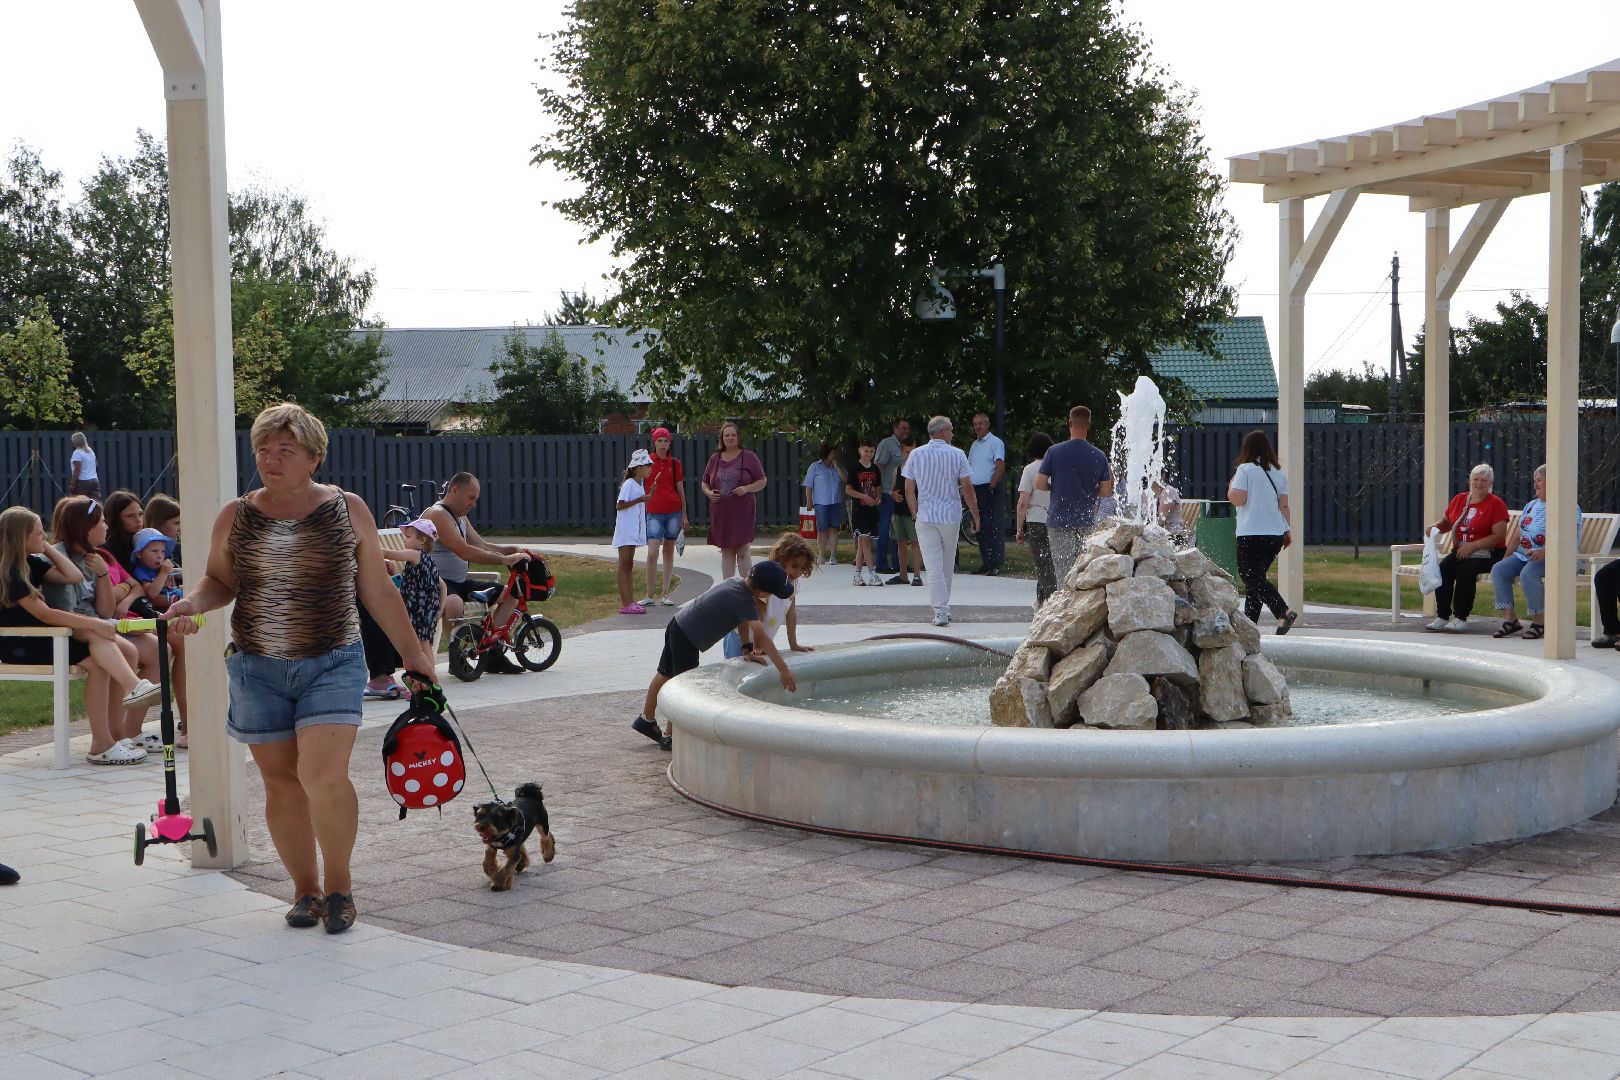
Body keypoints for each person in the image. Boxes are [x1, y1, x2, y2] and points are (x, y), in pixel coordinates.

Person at [168, 403, 435, 935]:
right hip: (256, 666)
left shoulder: (346, 508)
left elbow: (377, 589)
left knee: (321, 774)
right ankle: (305, 891)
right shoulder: (236, 515)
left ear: (314, 457)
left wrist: (415, 656)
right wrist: (192, 604)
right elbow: (219, 581)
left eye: (284, 450)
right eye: (264, 449)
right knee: (281, 784)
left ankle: (339, 887)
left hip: (333, 659)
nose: (271, 459)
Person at [0, 506, 160, 765]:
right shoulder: (11, 573)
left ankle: (103, 741)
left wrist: (47, 548)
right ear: (20, 538)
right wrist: (95, 624)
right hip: (22, 644)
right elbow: (47, 615)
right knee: (93, 632)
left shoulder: (32, 562)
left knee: (98, 660)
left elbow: (72, 576)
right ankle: (130, 692)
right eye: (39, 534)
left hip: (47, 637)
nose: (45, 537)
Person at [44, 496, 175, 754]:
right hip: (75, 629)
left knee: (161, 649)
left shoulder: (95, 556)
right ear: (85, 527)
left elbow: (103, 609)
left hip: (100, 623)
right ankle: (112, 736)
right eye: (101, 522)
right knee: (128, 651)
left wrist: (103, 574)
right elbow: (67, 611)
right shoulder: (58, 556)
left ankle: (128, 730)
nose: (106, 527)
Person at [631, 560, 798, 751]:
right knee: (685, 686)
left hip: (677, 626)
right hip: (688, 638)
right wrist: (783, 669)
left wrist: (745, 648)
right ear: (762, 592)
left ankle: (646, 718)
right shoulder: (744, 599)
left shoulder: (737, 584)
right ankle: (671, 736)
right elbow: (762, 635)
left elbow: (741, 619)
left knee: (665, 673)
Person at [421, 472, 528, 670]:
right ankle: (457, 658)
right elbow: (463, 550)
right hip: (436, 584)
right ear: (454, 490)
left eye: (475, 500)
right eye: (470, 498)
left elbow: (480, 543)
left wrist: (508, 550)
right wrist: (504, 560)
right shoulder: (437, 514)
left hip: (460, 583)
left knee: (511, 592)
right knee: (453, 603)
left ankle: (491, 651)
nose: (473, 504)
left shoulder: (460, 517)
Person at [903, 416, 978, 627]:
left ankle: (941, 609)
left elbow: (909, 488)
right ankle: (943, 607)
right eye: (951, 430)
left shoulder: (916, 454)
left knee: (934, 565)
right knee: (946, 564)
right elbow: (967, 487)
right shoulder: (958, 454)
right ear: (944, 431)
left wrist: (915, 512)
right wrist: (975, 513)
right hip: (950, 515)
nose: (952, 434)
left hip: (926, 515)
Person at [1491, 464, 1580, 642]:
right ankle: (1511, 620)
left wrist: (1545, 551)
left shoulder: (1566, 505)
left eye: (1539, 480)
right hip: (1525, 555)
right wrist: (1506, 557)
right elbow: (1518, 534)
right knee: (1499, 569)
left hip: (1556, 557)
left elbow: (1569, 539)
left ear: (1552, 481)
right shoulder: (1531, 505)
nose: (1535, 485)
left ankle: (1539, 622)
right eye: (1534, 481)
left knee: (1528, 574)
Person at [362, 519, 446, 699]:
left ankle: (425, 683)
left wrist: (372, 550)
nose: (404, 540)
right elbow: (442, 585)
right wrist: (440, 606)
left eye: (408, 537)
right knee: (426, 645)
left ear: (422, 540)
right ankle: (427, 681)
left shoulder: (415, 554)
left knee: (417, 646)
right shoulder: (429, 561)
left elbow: (391, 553)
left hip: (417, 609)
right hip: (428, 610)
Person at [1227, 429, 1299, 634]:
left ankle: (1282, 612)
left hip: (1251, 533)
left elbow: (1237, 499)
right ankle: (1248, 628)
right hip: (1274, 535)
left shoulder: (1245, 470)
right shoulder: (1279, 474)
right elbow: (1284, 506)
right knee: (1256, 580)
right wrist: (1287, 531)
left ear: (1246, 449)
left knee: (1249, 575)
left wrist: (1232, 484)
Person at [1426, 463, 1510, 633]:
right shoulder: (1459, 499)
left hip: (1488, 553)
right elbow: (1447, 522)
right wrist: (1434, 527)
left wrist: (1473, 546)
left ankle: (1461, 617)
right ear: (1470, 481)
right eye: (1476, 479)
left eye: (1484, 480)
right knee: (1444, 568)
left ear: (1490, 483)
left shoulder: (1496, 504)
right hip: (1462, 551)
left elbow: (1499, 536)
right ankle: (1442, 616)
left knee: (1465, 571)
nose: (1479, 483)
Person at [1036, 406, 1114, 582]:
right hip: (1085, 520)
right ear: (1089, 424)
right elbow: (1106, 491)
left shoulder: (1054, 452)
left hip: (1058, 518)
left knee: (1063, 570)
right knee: (1083, 569)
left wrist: (1055, 488)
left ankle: (1064, 605)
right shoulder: (1099, 455)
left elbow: (1039, 483)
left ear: (1069, 423)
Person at [722, 531, 819, 658]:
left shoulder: (793, 584)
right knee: (734, 672)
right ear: (781, 558)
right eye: (794, 566)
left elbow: (791, 614)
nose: (797, 572)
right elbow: (758, 615)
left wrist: (793, 643)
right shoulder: (769, 579)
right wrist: (757, 647)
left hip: (761, 638)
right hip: (740, 638)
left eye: (802, 568)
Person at [702, 420, 767, 579]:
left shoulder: (749, 457)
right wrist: (709, 493)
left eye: (733, 435)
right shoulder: (715, 458)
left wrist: (746, 488)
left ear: (738, 437)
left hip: (743, 512)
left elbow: (762, 480)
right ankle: (728, 590)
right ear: (722, 438)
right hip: (721, 512)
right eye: (727, 435)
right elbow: (704, 482)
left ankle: (748, 589)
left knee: (743, 549)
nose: (730, 438)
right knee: (726, 550)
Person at [641, 427, 687, 607]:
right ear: (654, 442)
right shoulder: (647, 462)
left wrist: (684, 514)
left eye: (665, 441)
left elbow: (681, 489)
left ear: (669, 443)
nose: (662, 444)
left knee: (668, 551)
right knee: (652, 552)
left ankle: (665, 593)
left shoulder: (675, 463)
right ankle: (649, 594)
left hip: (673, 511)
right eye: (659, 440)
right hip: (653, 512)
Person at [1015, 431, 1056, 608]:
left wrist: (1019, 529)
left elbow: (1023, 502)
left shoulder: (1029, 470)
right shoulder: (1057, 468)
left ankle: (1047, 603)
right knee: (1052, 564)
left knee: (1042, 565)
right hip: (1055, 521)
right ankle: (1042, 602)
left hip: (1036, 521)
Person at [615, 449, 654, 614]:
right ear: (638, 468)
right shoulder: (630, 484)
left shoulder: (639, 484)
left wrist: (650, 495)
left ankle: (630, 601)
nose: (650, 468)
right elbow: (620, 505)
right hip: (625, 530)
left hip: (632, 531)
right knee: (624, 565)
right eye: (647, 465)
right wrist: (640, 499)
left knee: (628, 565)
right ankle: (625, 603)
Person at [967, 413, 1006, 575]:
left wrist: (992, 486)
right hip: (975, 489)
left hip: (988, 489)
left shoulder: (995, 442)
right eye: (975, 424)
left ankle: (994, 564)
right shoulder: (974, 445)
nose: (978, 427)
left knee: (991, 526)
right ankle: (986, 561)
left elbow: (1000, 465)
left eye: (981, 424)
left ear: (987, 425)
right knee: (979, 526)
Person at [874, 418, 911, 573]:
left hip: (899, 493)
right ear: (894, 428)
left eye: (907, 429)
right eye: (903, 428)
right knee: (885, 528)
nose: (906, 431)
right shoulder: (887, 444)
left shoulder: (903, 446)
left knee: (898, 529)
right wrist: (879, 490)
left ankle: (898, 564)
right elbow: (878, 465)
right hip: (887, 492)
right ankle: (881, 563)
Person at [846, 438, 885, 586]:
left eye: (871, 451)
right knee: (865, 542)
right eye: (866, 451)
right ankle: (872, 573)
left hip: (872, 510)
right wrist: (865, 497)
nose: (868, 454)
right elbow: (848, 489)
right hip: (859, 510)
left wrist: (878, 496)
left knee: (864, 544)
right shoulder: (855, 468)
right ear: (860, 451)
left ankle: (857, 575)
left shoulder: (875, 469)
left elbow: (878, 486)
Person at [885, 441, 923, 587]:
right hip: (898, 511)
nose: (910, 455)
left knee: (915, 543)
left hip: (912, 512)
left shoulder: (919, 470)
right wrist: (892, 494)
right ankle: (903, 575)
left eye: (913, 451)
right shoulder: (897, 470)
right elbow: (893, 489)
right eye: (907, 452)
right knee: (900, 542)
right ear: (902, 453)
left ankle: (917, 575)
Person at [802, 443, 846, 567]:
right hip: (821, 503)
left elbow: (846, 480)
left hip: (835, 502)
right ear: (827, 453)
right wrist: (809, 501)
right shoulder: (815, 467)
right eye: (833, 453)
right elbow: (809, 486)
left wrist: (837, 468)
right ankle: (821, 555)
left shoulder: (838, 467)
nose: (835, 455)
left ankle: (833, 555)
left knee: (833, 528)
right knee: (822, 529)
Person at [130, 527, 182, 611]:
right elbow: (152, 594)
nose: (160, 556)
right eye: (154, 551)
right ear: (139, 553)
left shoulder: (159, 567)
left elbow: (177, 572)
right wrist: (163, 573)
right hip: (164, 606)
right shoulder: (141, 571)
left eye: (163, 551)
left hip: (175, 594)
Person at [103, 489, 144, 571]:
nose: (138, 520)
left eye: (140, 514)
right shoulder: (108, 549)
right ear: (115, 518)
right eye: (130, 516)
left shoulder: (145, 540)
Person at [144, 493, 183, 565]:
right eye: (176, 523)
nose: (180, 529)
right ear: (159, 523)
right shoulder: (145, 551)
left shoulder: (179, 549)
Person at [69, 432, 101, 499]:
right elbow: (96, 464)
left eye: (72, 440)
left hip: (83, 482)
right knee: (95, 503)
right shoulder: (90, 451)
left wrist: (72, 484)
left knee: (77, 503)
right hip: (94, 481)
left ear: (75, 442)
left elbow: (77, 469)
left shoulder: (77, 453)